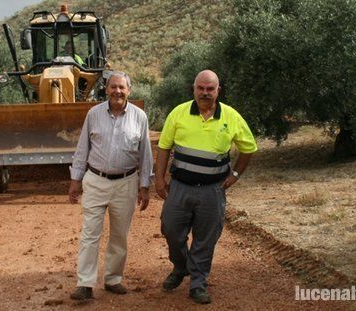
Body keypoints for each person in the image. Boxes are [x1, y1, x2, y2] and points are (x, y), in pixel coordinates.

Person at [155, 70, 257, 304]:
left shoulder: (230, 116)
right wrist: (159, 179)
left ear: (218, 91)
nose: (205, 93)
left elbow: (249, 147)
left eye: (210, 89)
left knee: (206, 237)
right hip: (179, 187)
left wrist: (236, 174)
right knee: (170, 229)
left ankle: (198, 283)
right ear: (194, 89)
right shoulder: (178, 113)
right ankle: (181, 267)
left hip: (212, 190)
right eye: (201, 88)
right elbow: (164, 147)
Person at [67, 71, 153, 300]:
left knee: (119, 235)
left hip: (126, 183)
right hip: (95, 181)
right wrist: (75, 181)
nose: (117, 91)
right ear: (106, 89)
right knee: (90, 233)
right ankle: (85, 284)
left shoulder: (140, 117)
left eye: (122, 88)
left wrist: (145, 186)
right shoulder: (93, 114)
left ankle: (113, 279)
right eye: (113, 87)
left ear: (129, 91)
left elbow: (146, 155)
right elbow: (82, 149)